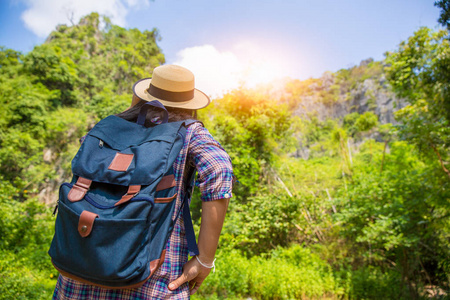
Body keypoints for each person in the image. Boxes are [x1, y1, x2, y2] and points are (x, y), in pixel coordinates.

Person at [52, 64, 234, 299]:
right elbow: (219, 167)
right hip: (153, 278)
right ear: (189, 105)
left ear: (144, 95)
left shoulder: (109, 127)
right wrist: (205, 260)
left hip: (78, 273)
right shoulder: (188, 133)